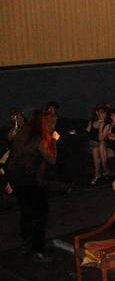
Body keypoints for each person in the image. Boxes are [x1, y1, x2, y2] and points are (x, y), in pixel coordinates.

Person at [6, 110, 59, 262]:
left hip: (18, 180)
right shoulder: (38, 138)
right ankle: (37, 250)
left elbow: (12, 159)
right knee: (41, 214)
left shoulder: (21, 135)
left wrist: (9, 181)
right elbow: (52, 159)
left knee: (26, 212)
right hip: (31, 181)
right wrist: (54, 140)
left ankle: (26, 243)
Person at [86, 104, 109, 184]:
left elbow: (101, 139)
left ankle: (96, 174)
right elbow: (86, 133)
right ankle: (104, 170)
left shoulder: (106, 124)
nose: (103, 115)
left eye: (105, 113)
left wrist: (101, 127)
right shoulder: (92, 122)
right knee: (95, 148)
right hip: (91, 144)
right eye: (101, 112)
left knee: (97, 148)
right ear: (97, 112)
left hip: (100, 145)